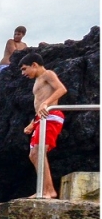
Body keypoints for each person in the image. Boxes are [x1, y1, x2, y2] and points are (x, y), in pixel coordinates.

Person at [20, 53, 68, 199]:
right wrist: (32, 123)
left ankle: (49, 190)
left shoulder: (48, 74)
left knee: (39, 152)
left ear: (34, 64)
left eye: (24, 69)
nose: (23, 73)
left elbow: (61, 89)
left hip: (51, 116)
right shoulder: (37, 80)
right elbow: (39, 105)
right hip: (41, 119)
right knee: (34, 154)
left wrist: (46, 103)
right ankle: (44, 189)